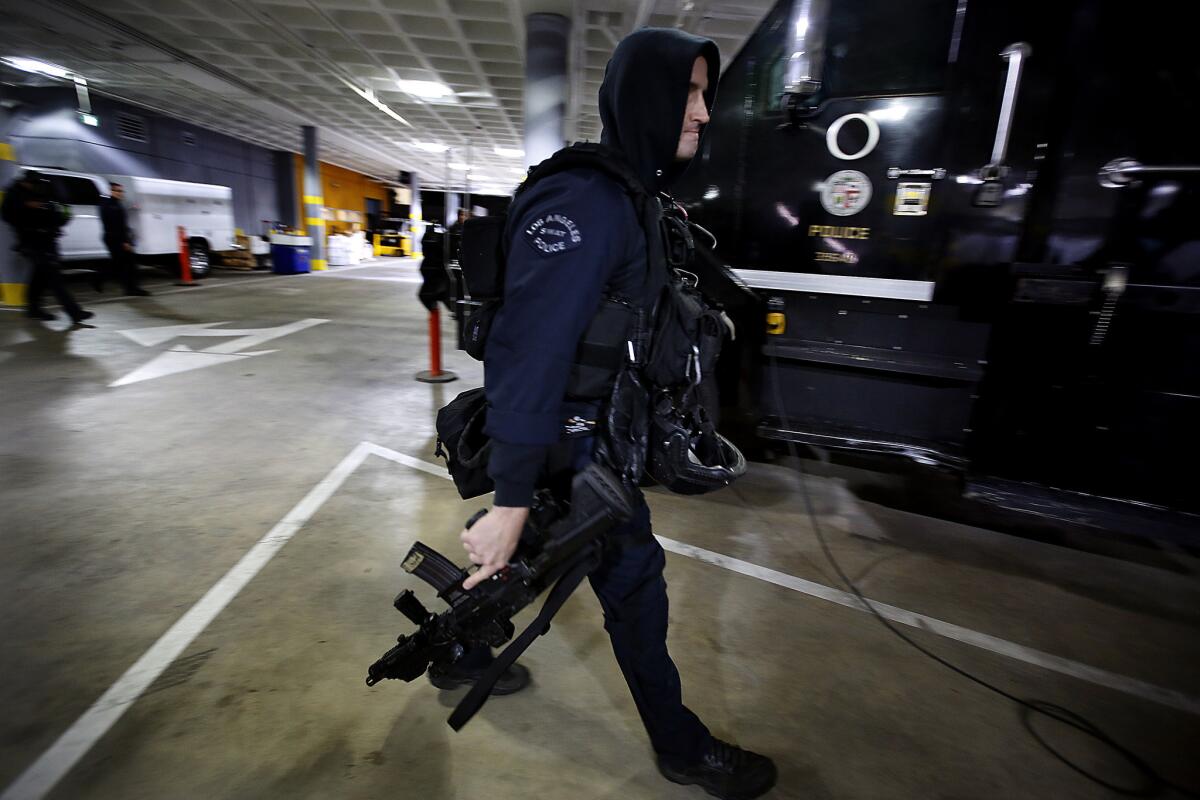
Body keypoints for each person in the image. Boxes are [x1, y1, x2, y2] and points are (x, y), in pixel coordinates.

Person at [449, 28, 777, 800]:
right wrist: (513, 495)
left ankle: (458, 653)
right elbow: (527, 353)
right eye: (689, 95)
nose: (702, 113)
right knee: (636, 589)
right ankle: (684, 749)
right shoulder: (585, 200)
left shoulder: (635, 197)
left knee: (530, 565)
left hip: (597, 437)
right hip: (571, 446)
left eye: (705, 95)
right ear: (648, 99)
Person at [0, 170, 92, 323]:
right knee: (53, 277)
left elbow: (58, 210)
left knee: (40, 276)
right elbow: (8, 215)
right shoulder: (15, 195)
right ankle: (74, 313)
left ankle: (33, 309)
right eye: (31, 183)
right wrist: (27, 207)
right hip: (32, 240)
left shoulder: (41, 190)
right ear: (24, 181)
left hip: (48, 238)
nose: (33, 186)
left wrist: (49, 210)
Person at [98, 181, 149, 296]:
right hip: (115, 238)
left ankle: (129, 288)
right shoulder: (109, 205)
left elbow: (121, 224)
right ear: (111, 191)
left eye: (122, 191)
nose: (121, 193)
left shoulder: (115, 204)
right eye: (118, 191)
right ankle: (132, 288)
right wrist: (124, 241)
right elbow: (115, 225)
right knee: (128, 264)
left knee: (120, 264)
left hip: (116, 237)